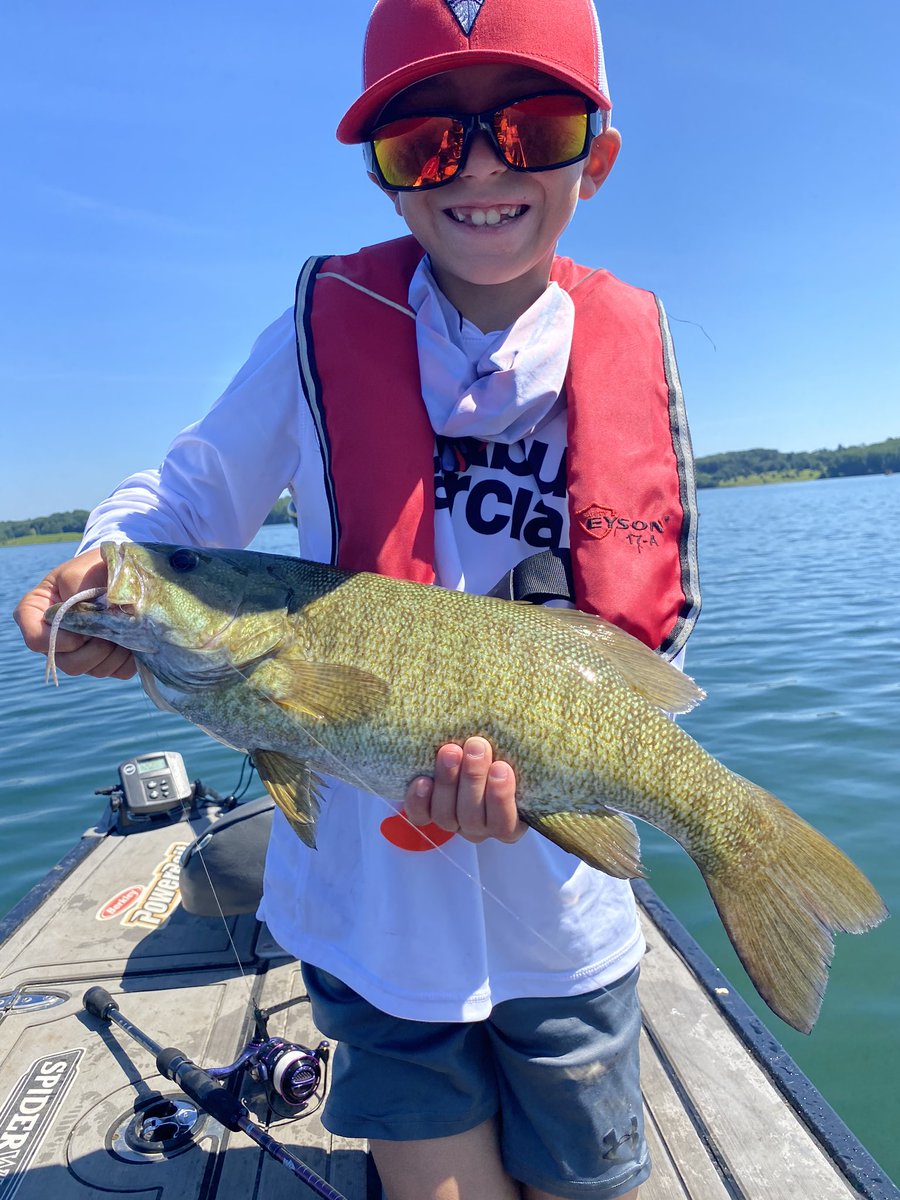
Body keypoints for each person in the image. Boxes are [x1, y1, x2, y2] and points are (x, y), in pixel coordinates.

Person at [14, 1, 701, 1196]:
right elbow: (183, 501)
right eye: (428, 142)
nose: (480, 168)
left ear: (596, 156)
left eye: (532, 128)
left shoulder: (631, 345)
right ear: (385, 175)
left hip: (564, 916)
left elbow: (651, 626)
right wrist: (107, 560)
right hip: (373, 927)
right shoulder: (316, 336)